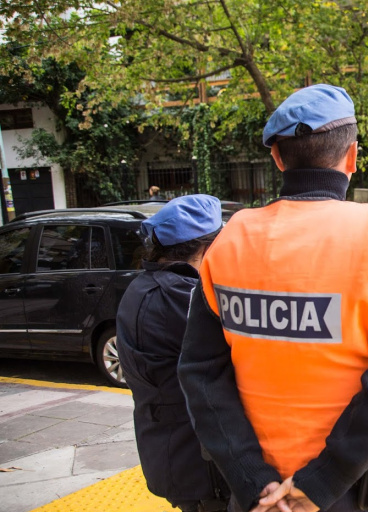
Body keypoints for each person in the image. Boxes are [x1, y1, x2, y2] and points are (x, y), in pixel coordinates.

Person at [177, 84, 368, 512]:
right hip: (350, 491)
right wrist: (320, 482)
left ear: (277, 157)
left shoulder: (227, 242)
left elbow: (201, 374)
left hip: (257, 495)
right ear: (352, 156)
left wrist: (253, 480)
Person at [116, 194, 229, 512]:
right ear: (206, 248)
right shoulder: (181, 297)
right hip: (197, 465)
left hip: (170, 453)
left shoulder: (145, 285)